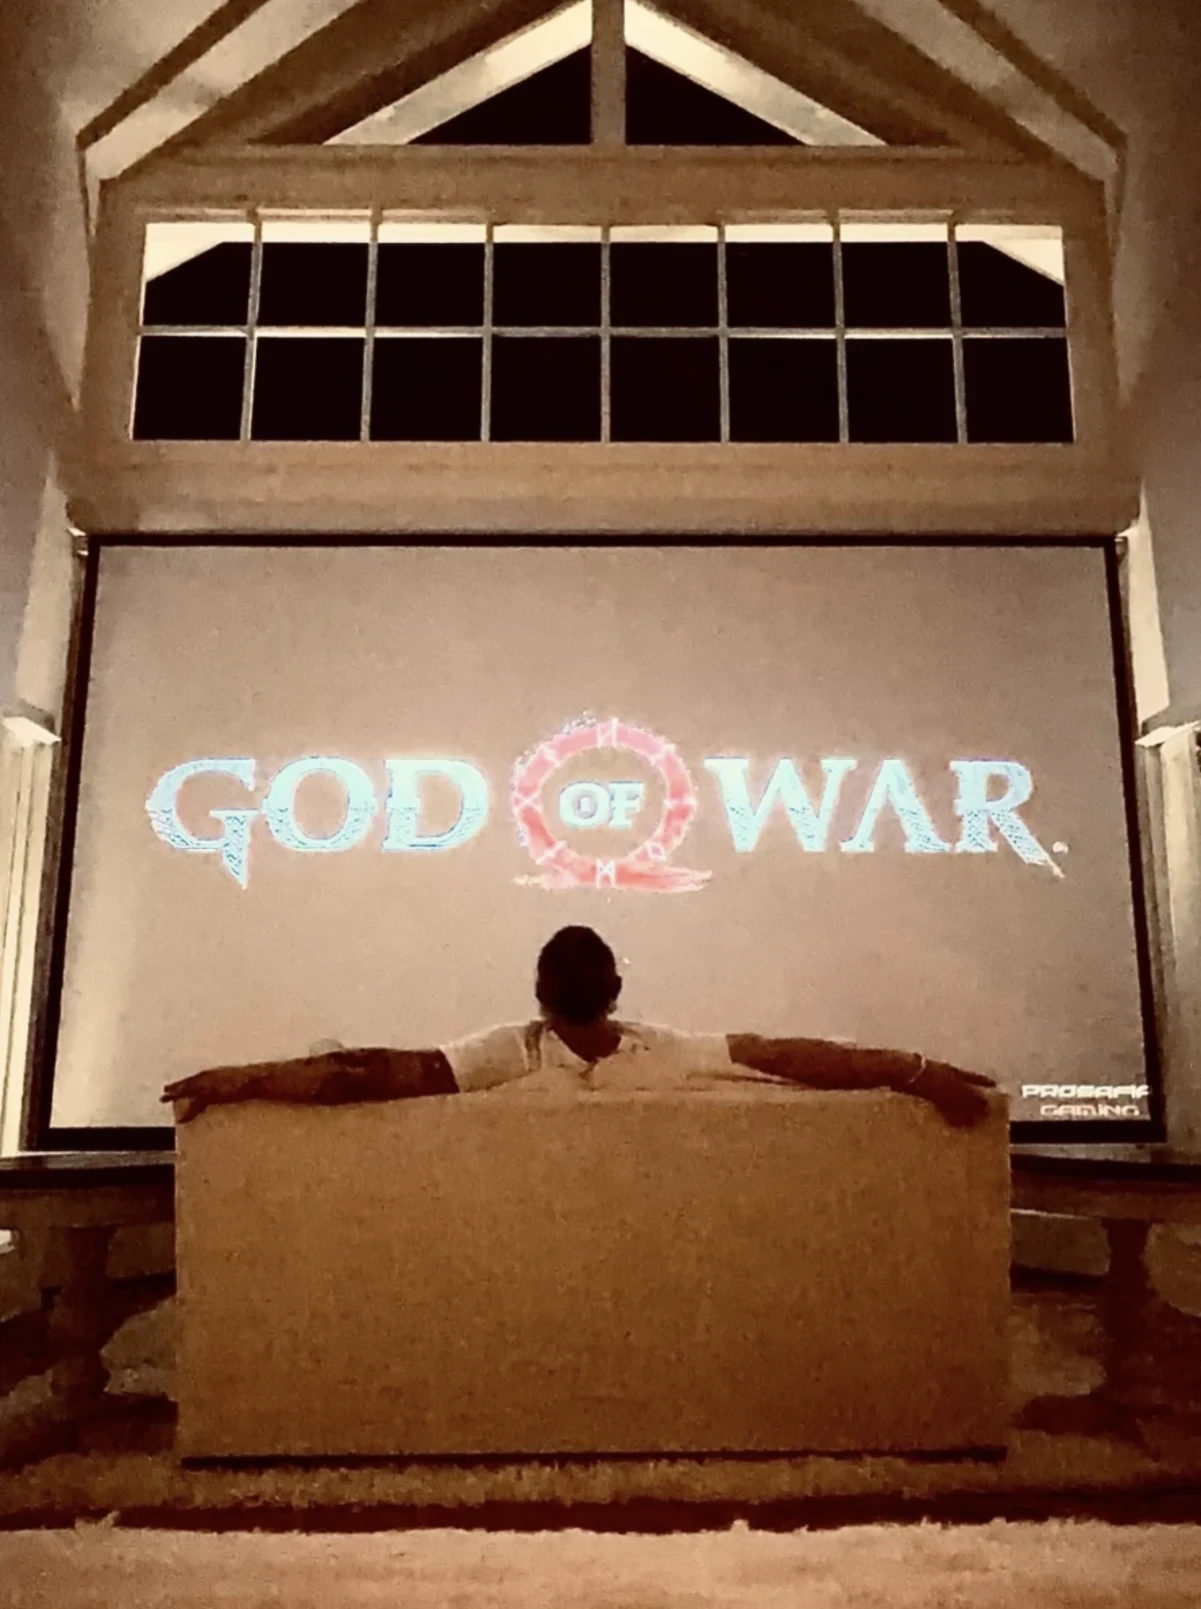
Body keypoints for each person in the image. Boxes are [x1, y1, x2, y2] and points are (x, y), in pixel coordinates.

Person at [163, 925, 996, 1128]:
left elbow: (365, 1074)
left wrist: (245, 1077)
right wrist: (918, 1071)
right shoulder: (669, 1053)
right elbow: (790, 1055)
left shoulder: (503, 1055)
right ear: (617, 990)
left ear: (537, 994)